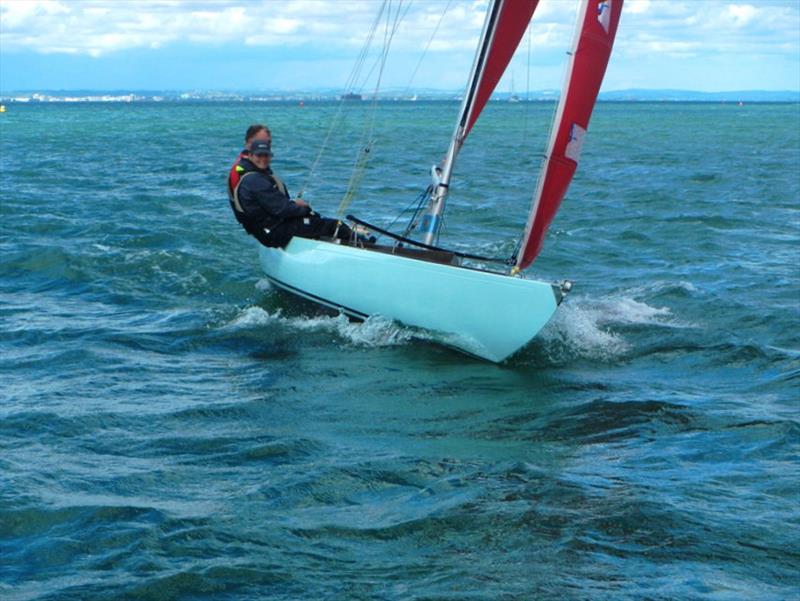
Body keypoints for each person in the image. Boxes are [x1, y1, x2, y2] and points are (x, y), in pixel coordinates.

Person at [231, 139, 356, 248]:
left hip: (268, 229)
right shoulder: (254, 180)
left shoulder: (254, 176)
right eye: (259, 155)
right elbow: (282, 209)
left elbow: (276, 206)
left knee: (315, 221)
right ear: (251, 156)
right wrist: (305, 209)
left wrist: (296, 207)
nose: (263, 159)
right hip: (273, 233)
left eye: (266, 155)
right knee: (334, 226)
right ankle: (363, 248)